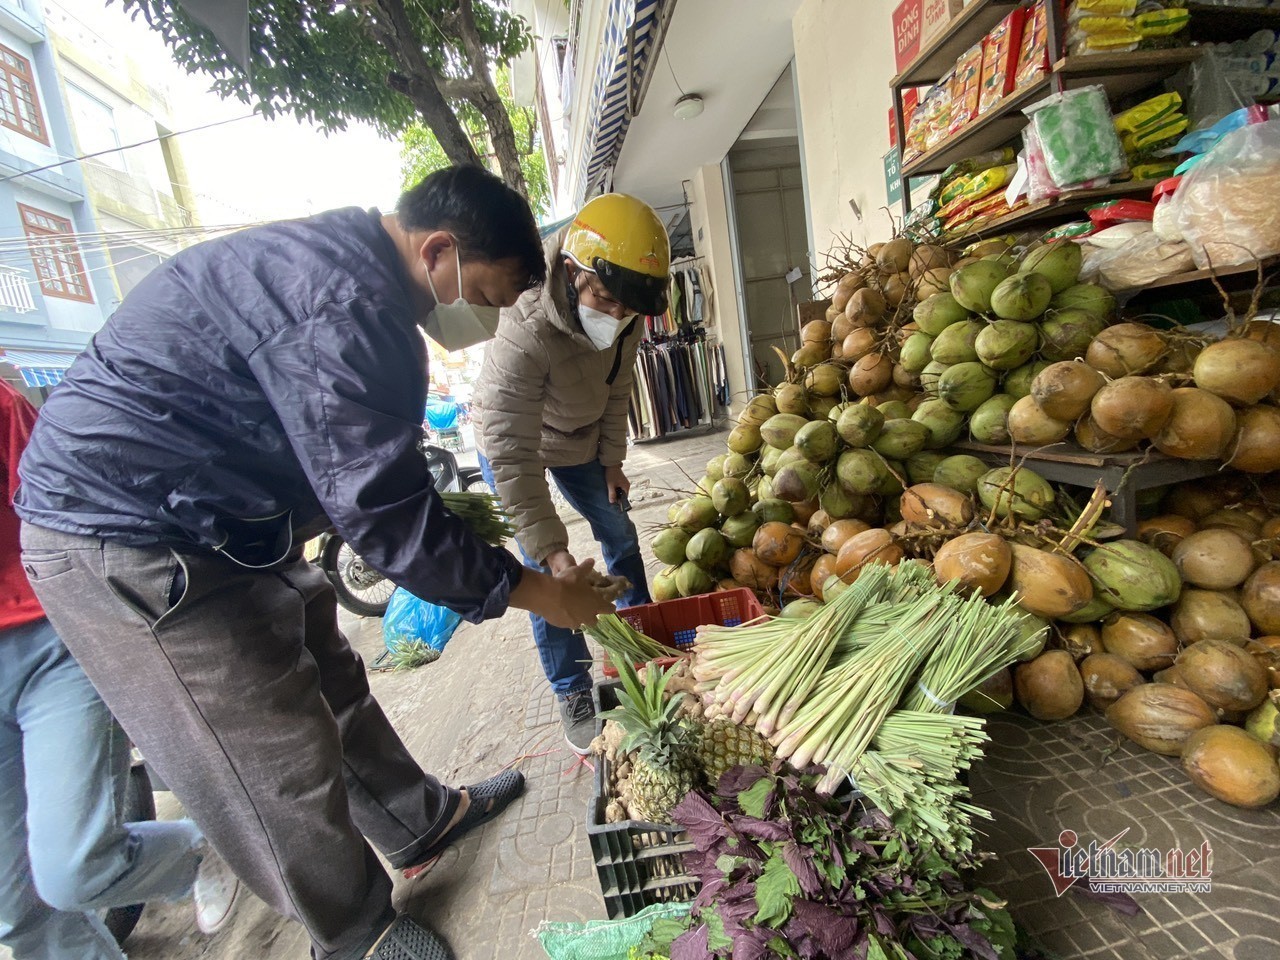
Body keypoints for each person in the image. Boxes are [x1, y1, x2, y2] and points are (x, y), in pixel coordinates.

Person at [15, 166, 614, 960]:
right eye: (497, 293)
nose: (494, 314)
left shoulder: (351, 273)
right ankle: (356, 933)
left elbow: (366, 479)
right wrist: (537, 591)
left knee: (330, 670)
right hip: (125, 532)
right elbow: (385, 512)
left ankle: (416, 820)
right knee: (266, 750)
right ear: (439, 251)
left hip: (216, 519)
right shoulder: (348, 305)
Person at [0, 380, 240, 959]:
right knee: (18, 913)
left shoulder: (4, 405)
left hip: (44, 639)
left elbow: (64, 508)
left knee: (72, 870)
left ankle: (201, 848)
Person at [473, 193, 670, 753]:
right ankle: (571, 688)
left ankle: (644, 644)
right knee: (547, 574)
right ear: (571, 272)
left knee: (620, 533)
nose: (615, 317)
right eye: (605, 299)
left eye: (626, 309)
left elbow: (617, 392)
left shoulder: (626, 313)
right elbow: (509, 450)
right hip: (517, 440)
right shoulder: (527, 326)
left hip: (581, 440)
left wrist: (612, 461)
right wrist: (556, 552)